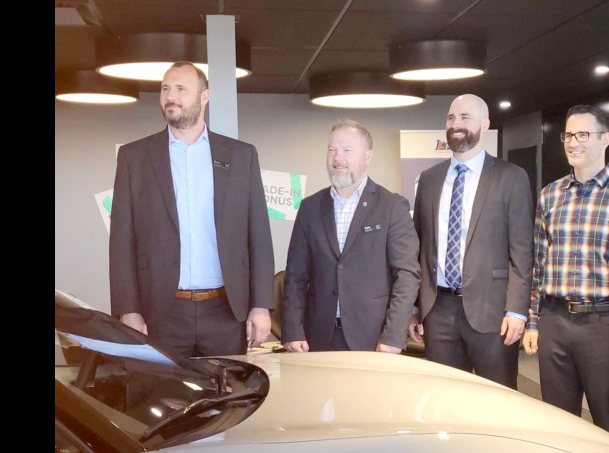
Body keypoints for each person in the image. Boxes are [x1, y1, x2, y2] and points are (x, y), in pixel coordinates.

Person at [109, 62, 274, 359]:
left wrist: (260, 305)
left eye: (181, 89)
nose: (171, 96)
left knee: (227, 401)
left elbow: (259, 235)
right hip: (159, 312)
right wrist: (128, 310)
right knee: (158, 399)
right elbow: (121, 241)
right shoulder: (134, 157)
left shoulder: (241, 156)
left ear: (204, 97)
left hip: (226, 312)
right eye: (165, 89)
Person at [522, 105, 609, 442]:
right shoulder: (550, 195)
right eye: (568, 135)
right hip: (554, 321)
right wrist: (535, 321)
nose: (573, 142)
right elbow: (539, 263)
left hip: (606, 325)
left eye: (583, 134)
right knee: (557, 425)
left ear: (605, 139)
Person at [408, 94, 533, 389]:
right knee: (447, 401)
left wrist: (516, 310)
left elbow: (522, 251)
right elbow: (419, 249)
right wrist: (415, 307)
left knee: (498, 399)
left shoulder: (511, 177)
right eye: (451, 118)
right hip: (438, 312)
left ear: (485, 124)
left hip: (493, 313)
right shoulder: (428, 179)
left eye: (465, 117)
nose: (456, 124)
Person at [281, 120, 419, 352]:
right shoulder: (309, 208)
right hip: (317, 338)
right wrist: (293, 330)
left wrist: (394, 336)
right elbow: (295, 275)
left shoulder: (391, 206)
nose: (337, 158)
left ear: (367, 157)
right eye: (331, 149)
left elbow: (407, 275)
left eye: (347, 150)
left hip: (374, 340)